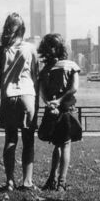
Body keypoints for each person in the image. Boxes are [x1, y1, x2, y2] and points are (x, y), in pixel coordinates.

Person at [0, 13, 39, 191]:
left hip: (8, 97)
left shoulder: (0, 50)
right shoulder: (31, 48)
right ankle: (27, 182)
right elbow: (36, 77)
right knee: (28, 141)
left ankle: (10, 181)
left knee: (10, 140)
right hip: (28, 96)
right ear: (22, 28)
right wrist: (37, 103)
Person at [37, 33, 83, 192]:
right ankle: (61, 183)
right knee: (65, 145)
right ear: (62, 48)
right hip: (66, 110)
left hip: (51, 111)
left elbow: (42, 93)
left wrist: (51, 103)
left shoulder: (44, 70)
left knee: (56, 145)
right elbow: (74, 88)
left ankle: (51, 179)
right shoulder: (71, 65)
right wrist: (60, 100)